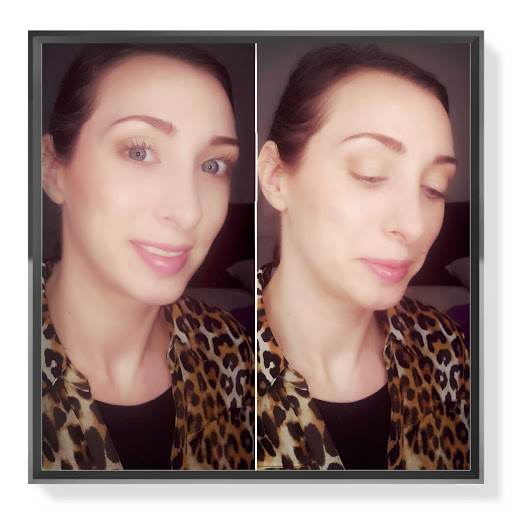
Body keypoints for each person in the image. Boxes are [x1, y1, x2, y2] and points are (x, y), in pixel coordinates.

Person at [256, 45, 470, 470]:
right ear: (277, 178)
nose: (413, 225)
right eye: (370, 173)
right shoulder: (212, 364)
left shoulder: (445, 345)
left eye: (434, 187)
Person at [41, 44, 254, 470]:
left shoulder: (234, 351)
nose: (189, 211)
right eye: (139, 151)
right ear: (53, 169)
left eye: (213, 165)